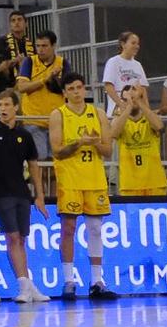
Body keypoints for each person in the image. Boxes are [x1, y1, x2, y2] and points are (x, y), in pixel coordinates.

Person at [50, 73, 120, 300]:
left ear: (85, 89)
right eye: (71, 88)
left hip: (94, 179)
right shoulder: (58, 115)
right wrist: (79, 142)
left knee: (96, 229)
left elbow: (108, 151)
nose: (76, 92)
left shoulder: (98, 113)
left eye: (79, 87)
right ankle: (68, 281)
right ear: (64, 93)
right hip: (70, 178)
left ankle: (97, 281)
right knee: (68, 228)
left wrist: (95, 143)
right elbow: (57, 150)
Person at [0, 90, 47, 302]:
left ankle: (28, 285)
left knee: (21, 239)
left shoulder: (24, 135)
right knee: (13, 237)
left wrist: (39, 195)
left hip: (22, 193)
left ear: (16, 107)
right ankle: (23, 286)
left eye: (7, 104)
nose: (3, 109)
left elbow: (34, 166)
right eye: (0, 105)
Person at [112, 84, 167, 197]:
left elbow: (160, 127)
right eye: (127, 99)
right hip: (130, 185)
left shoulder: (149, 117)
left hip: (155, 183)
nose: (132, 101)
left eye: (134, 98)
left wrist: (139, 100)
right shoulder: (119, 120)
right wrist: (128, 107)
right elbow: (113, 133)